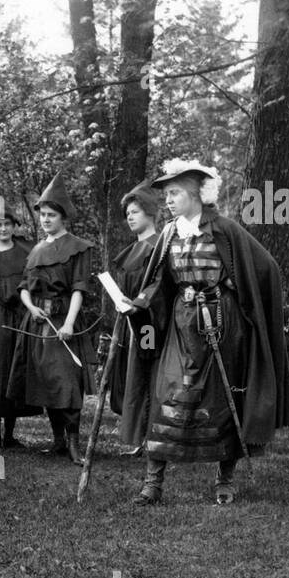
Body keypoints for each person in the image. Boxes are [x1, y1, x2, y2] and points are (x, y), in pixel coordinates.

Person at [118, 159, 289, 505]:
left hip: (222, 326)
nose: (168, 200)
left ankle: (224, 480)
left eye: (175, 193)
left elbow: (265, 267)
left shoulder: (226, 229)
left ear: (198, 193)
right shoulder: (169, 233)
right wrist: (138, 303)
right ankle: (152, 484)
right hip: (181, 328)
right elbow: (157, 281)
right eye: (166, 194)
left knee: (223, 398)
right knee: (166, 394)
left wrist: (233, 286)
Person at [6, 171, 97, 464]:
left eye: (51, 215)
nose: (46, 219)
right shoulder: (35, 250)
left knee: (67, 383)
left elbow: (79, 290)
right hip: (37, 324)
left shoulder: (79, 248)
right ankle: (58, 441)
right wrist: (31, 307)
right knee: (46, 382)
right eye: (43, 215)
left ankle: (73, 445)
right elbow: (22, 289)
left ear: (63, 218)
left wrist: (69, 323)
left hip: (62, 321)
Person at [106, 181, 162, 451]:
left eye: (136, 211)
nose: (130, 216)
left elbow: (160, 286)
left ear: (151, 213)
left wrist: (138, 304)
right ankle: (139, 435)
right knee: (131, 376)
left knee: (148, 374)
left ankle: (151, 435)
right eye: (128, 212)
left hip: (150, 325)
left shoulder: (159, 247)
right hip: (129, 324)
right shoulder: (131, 251)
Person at [0, 195, 35, 449]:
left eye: (7, 224)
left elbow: (33, 282)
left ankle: (10, 432)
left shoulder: (26, 251)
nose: (3, 229)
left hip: (17, 315)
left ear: (14, 226)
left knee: (14, 369)